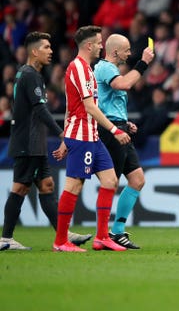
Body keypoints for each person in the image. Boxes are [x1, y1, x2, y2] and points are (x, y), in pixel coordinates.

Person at [2, 32, 92, 250]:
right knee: (20, 188)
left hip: (35, 142)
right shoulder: (30, 74)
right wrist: (62, 133)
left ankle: (63, 235)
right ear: (34, 52)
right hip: (28, 142)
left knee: (46, 185)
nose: (51, 51)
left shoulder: (31, 74)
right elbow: (40, 109)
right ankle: (5, 239)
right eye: (46, 47)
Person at [52, 25, 131, 252]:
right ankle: (60, 241)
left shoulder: (87, 69)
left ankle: (102, 238)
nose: (101, 46)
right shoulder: (79, 68)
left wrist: (63, 139)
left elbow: (71, 107)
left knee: (110, 181)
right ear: (88, 45)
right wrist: (115, 130)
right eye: (98, 42)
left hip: (92, 136)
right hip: (82, 136)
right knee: (74, 186)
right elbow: (88, 107)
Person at [93, 33, 154, 249]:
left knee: (137, 179)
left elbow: (109, 101)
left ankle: (117, 232)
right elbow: (124, 85)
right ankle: (102, 236)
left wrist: (125, 122)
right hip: (109, 131)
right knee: (111, 182)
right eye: (127, 49)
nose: (129, 53)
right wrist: (143, 63)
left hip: (119, 128)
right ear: (115, 51)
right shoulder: (106, 68)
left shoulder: (110, 70)